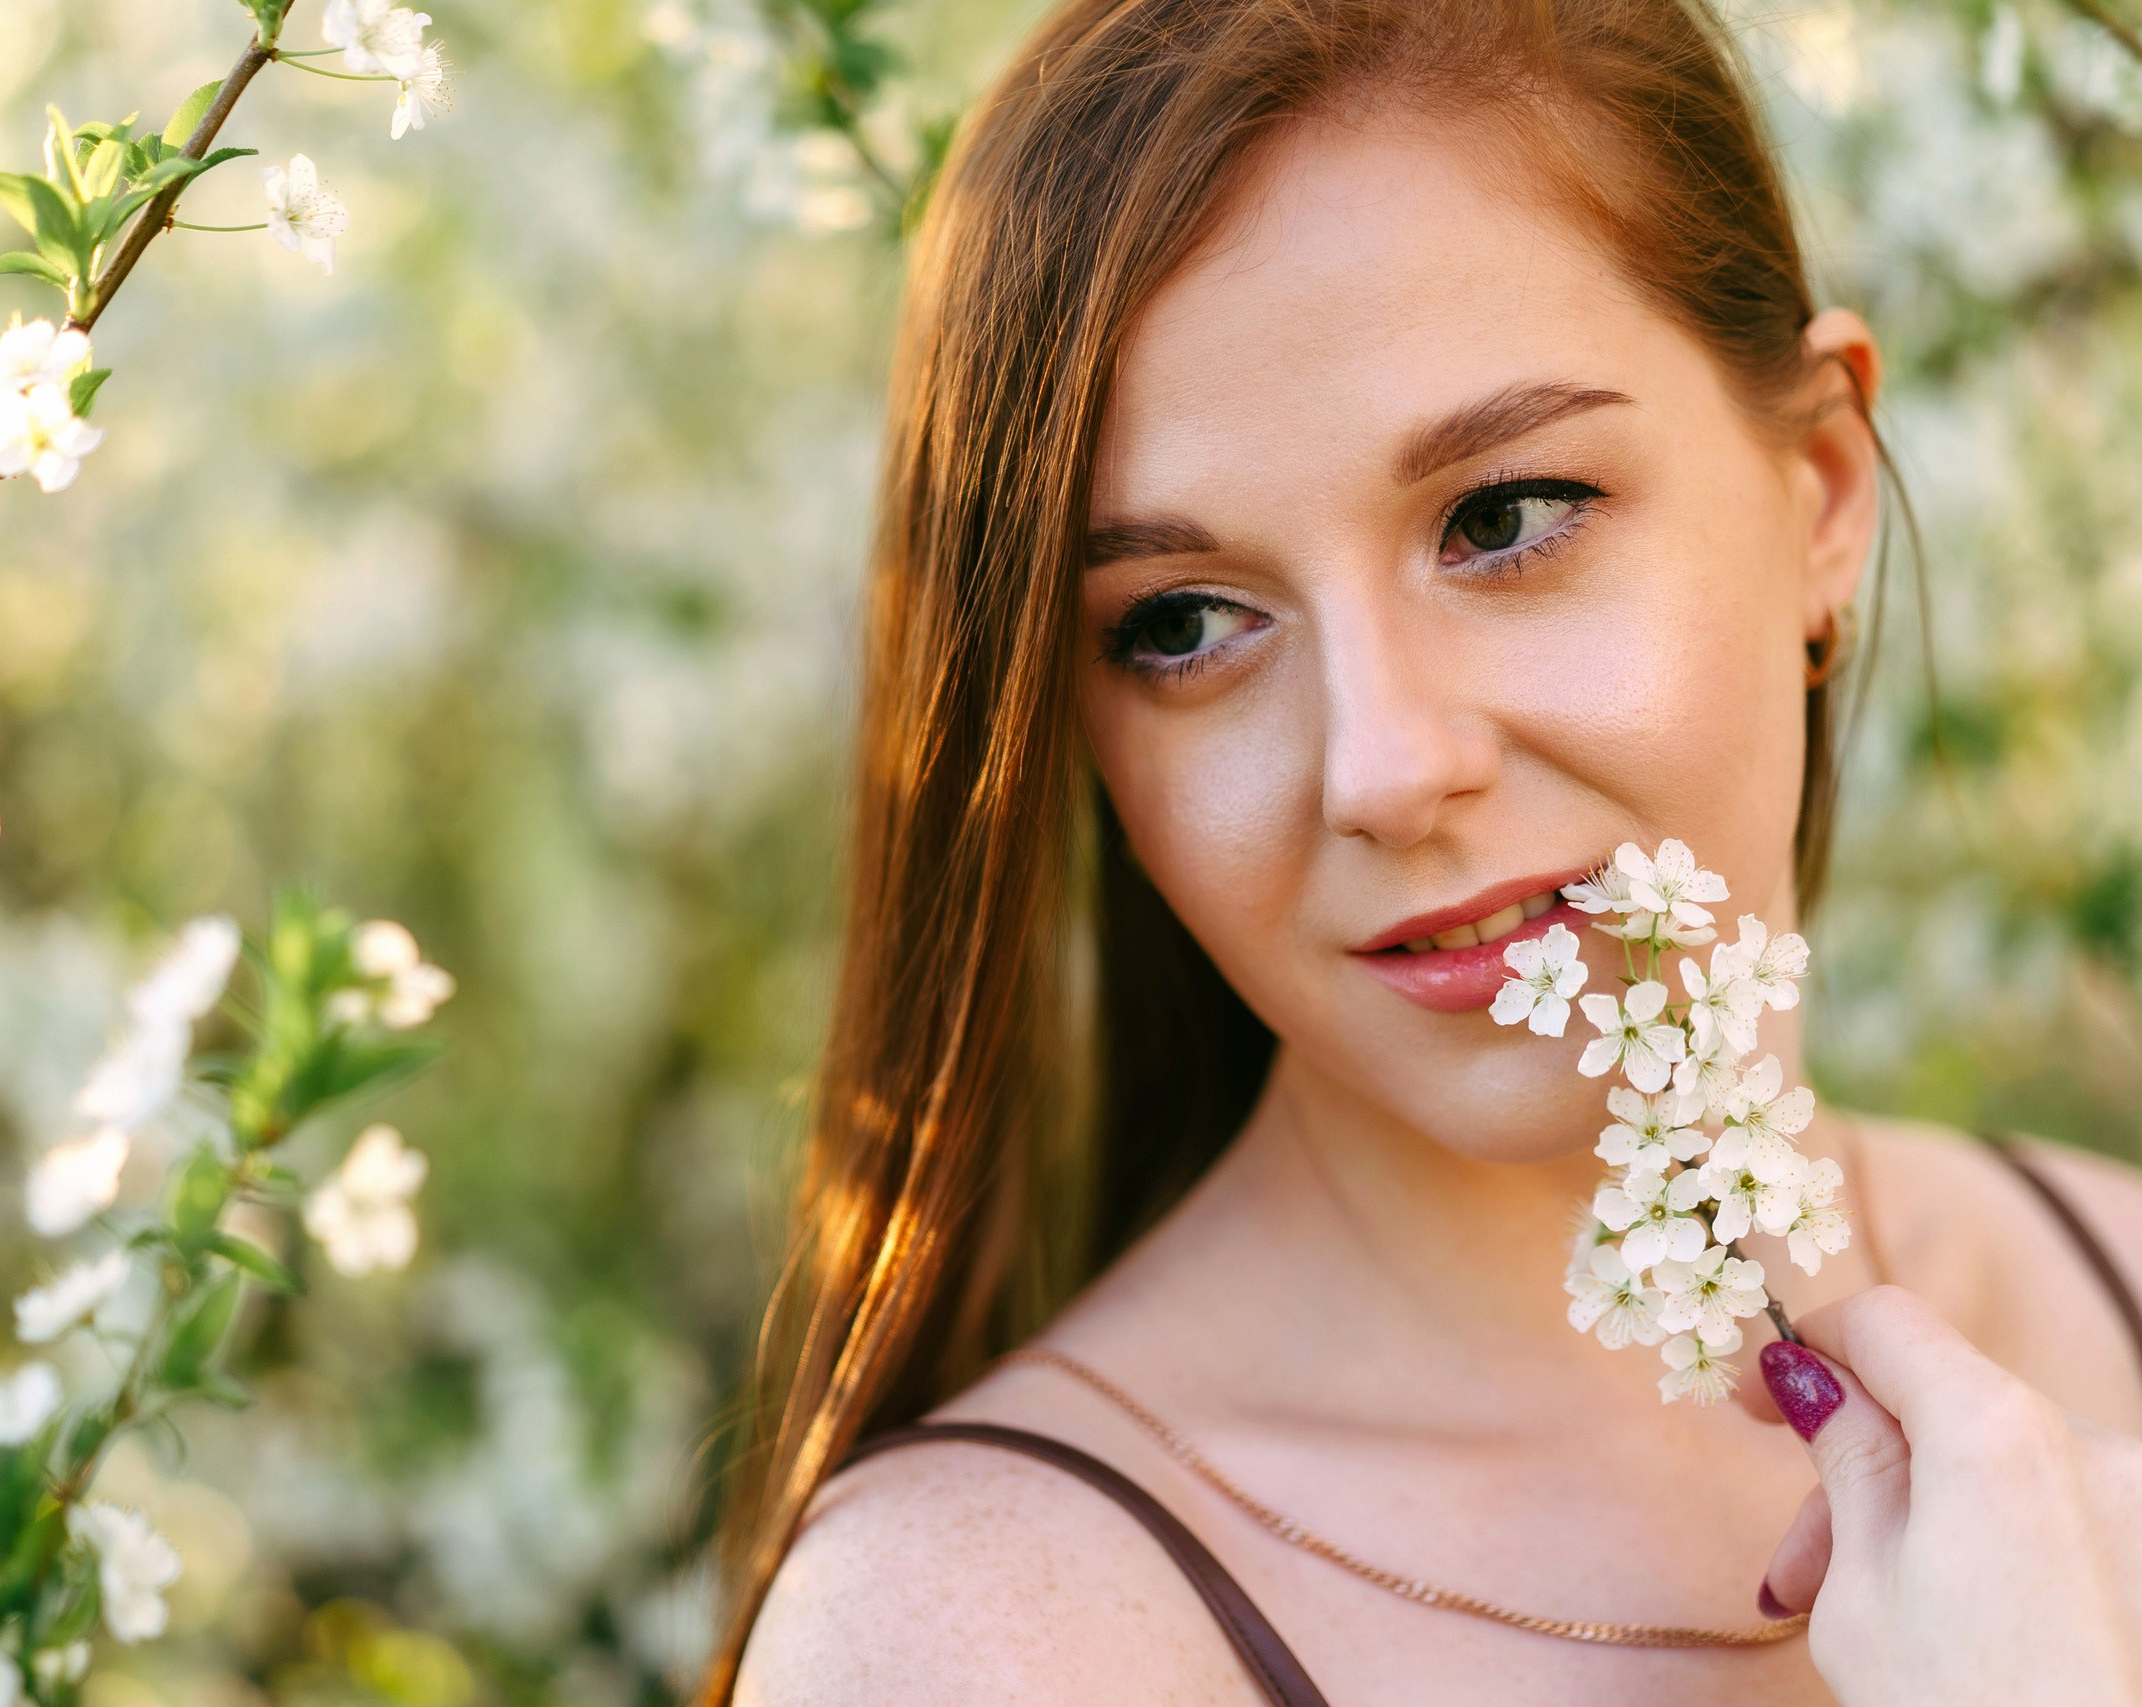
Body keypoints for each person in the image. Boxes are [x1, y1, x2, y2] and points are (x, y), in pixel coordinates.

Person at [704, 0, 2142, 1702]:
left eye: (1504, 520)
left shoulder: (2113, 1282)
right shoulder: (980, 1634)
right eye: (1182, 623)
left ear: (1822, 490)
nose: (1385, 770)